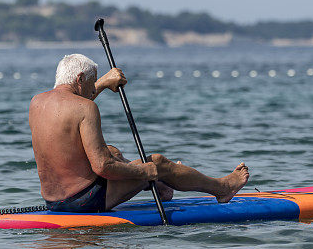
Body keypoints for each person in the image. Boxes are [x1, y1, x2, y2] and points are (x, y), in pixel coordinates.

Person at [28, 53, 250, 213]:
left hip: (53, 201)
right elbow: (102, 167)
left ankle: (161, 187)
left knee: (112, 151)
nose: (93, 87)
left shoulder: (37, 103)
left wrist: (104, 83)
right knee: (158, 162)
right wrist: (146, 171)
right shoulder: (86, 108)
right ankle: (223, 188)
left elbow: (71, 112)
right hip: (84, 201)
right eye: (92, 82)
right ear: (79, 79)